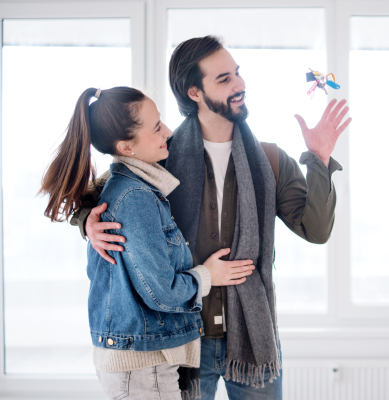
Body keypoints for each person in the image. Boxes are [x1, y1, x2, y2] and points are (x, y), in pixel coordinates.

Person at [72, 36, 351, 400]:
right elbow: (100, 197)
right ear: (194, 93)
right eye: (224, 79)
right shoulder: (156, 158)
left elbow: (316, 230)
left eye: (237, 74)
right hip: (183, 342)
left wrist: (320, 158)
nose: (239, 85)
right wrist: (87, 223)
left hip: (252, 340)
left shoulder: (271, 160)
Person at [40, 87, 255, 400]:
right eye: (157, 127)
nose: (168, 131)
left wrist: (87, 218)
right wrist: (209, 275)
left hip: (139, 357)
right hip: (142, 364)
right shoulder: (135, 196)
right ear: (127, 146)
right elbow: (162, 292)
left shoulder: (134, 181)